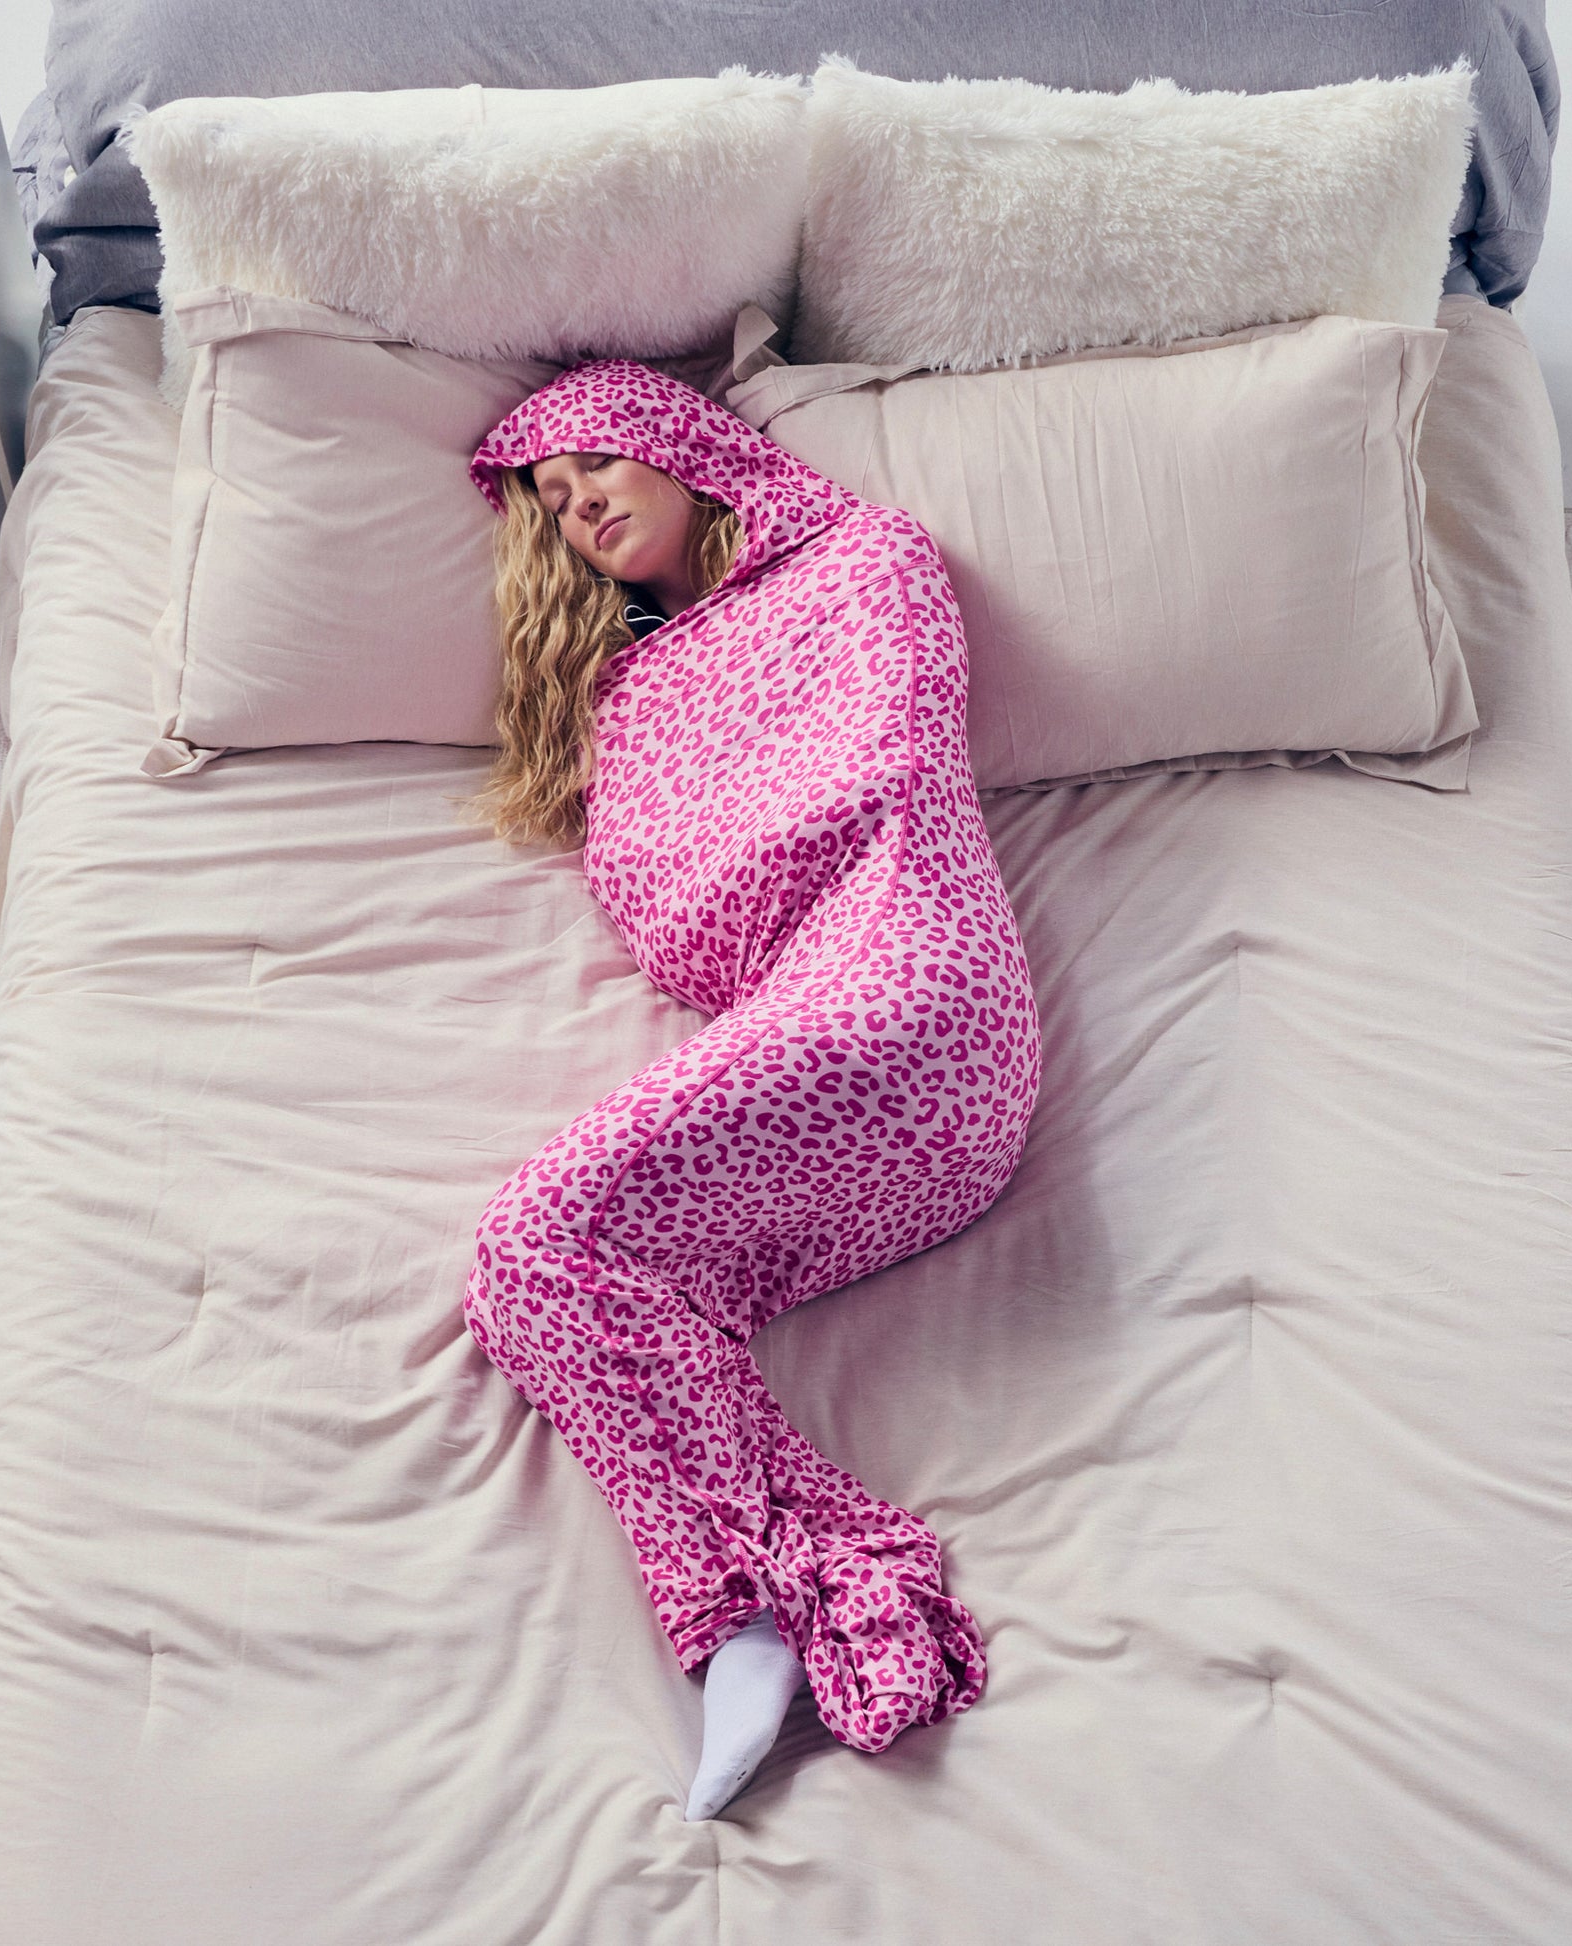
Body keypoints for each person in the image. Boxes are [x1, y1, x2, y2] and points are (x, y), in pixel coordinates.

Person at [462, 358, 1042, 1821]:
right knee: (549, 1291)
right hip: (859, 1096)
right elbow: (676, 918)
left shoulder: (859, 558)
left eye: (595, 463)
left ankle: (739, 1622)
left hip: (908, 989)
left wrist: (750, 871)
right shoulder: (633, 689)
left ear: (677, 441)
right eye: (551, 501)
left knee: (537, 1240)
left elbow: (873, 769)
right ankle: (788, 1598)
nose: (579, 506)